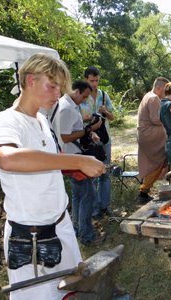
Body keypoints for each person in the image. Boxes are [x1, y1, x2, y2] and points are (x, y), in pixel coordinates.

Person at [0, 54, 105, 299]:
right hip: (31, 237)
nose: (57, 94)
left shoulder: (41, 119)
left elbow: (43, 161)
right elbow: (9, 158)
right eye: (52, 86)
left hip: (60, 224)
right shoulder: (7, 121)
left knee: (70, 290)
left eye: (60, 88)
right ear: (30, 81)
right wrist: (77, 160)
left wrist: (72, 169)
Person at [58, 80, 104, 245]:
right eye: (83, 96)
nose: (84, 100)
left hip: (72, 157)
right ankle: (87, 236)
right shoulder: (66, 108)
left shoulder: (69, 105)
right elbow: (64, 137)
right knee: (87, 196)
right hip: (73, 158)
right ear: (76, 91)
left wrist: (87, 131)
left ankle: (76, 230)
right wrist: (88, 130)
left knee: (78, 196)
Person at [82, 66, 115, 218]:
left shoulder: (103, 95)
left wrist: (105, 112)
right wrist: (88, 120)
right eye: (91, 80)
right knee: (93, 175)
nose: (94, 84)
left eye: (96, 80)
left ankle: (105, 206)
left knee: (105, 173)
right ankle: (94, 210)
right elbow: (76, 119)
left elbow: (113, 117)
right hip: (89, 139)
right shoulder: (81, 97)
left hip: (105, 139)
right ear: (85, 80)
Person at [137, 77, 169, 203]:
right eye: (165, 89)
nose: (166, 92)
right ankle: (143, 191)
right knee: (160, 160)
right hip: (150, 135)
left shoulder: (149, 95)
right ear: (159, 87)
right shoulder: (154, 98)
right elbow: (156, 119)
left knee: (155, 162)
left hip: (146, 135)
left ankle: (144, 189)